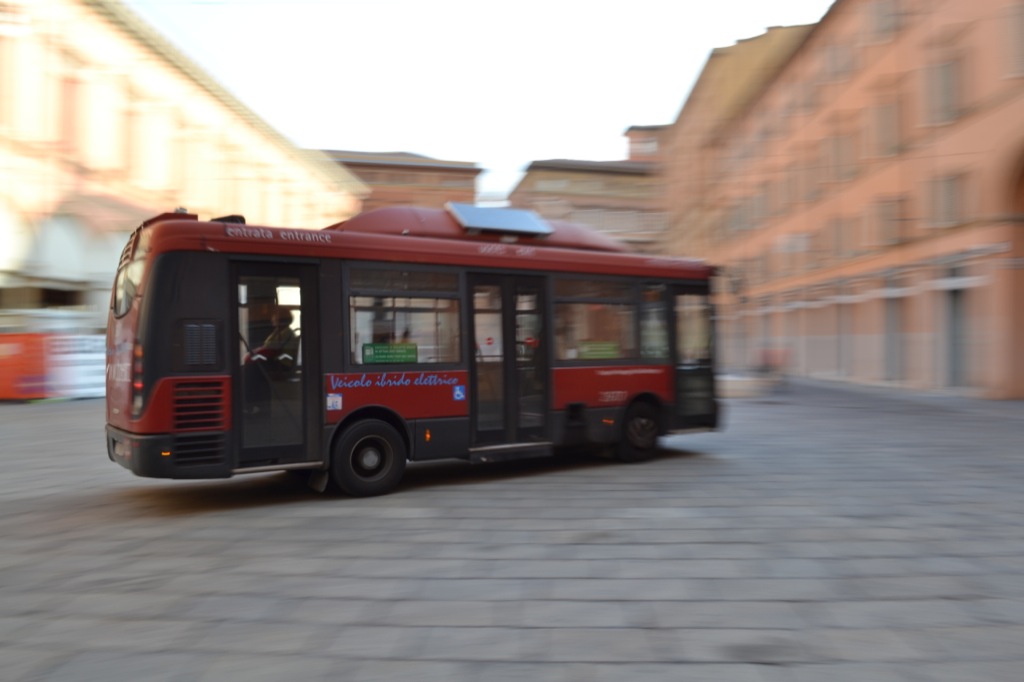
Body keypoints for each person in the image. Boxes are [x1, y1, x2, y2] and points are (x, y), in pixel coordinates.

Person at [244, 307, 299, 413]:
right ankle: (254, 402)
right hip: (275, 361)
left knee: (251, 369)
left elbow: (271, 350)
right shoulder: (278, 332)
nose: (272, 318)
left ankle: (251, 403)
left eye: (275, 316)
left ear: (280, 318)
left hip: (282, 365)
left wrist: (252, 356)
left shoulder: (285, 333)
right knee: (249, 368)